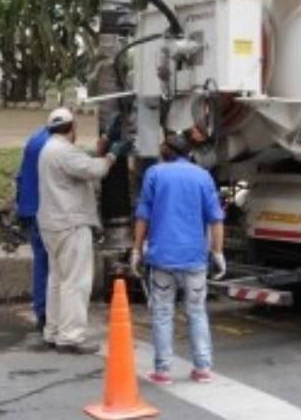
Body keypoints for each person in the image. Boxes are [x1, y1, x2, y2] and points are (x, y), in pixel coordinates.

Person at [131, 132, 226, 385]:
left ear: (165, 153)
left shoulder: (154, 174)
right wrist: (217, 252)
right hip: (194, 257)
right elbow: (215, 219)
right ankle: (203, 368)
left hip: (162, 257)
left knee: (162, 313)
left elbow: (143, 216)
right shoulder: (202, 176)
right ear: (189, 153)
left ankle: (163, 371)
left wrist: (136, 250)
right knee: (196, 312)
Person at [37, 107, 128, 353]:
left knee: (57, 280)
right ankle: (71, 337)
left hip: (51, 224)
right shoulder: (65, 151)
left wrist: (100, 151)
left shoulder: (49, 149)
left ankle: (53, 332)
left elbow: (81, 164)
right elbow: (96, 170)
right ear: (72, 127)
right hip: (71, 224)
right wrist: (112, 155)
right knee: (76, 282)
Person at [15, 116, 53, 333]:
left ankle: (42, 312)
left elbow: (20, 177)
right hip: (46, 211)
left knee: (41, 262)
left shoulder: (35, 139)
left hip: (31, 208)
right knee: (53, 264)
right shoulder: (52, 145)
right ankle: (49, 313)